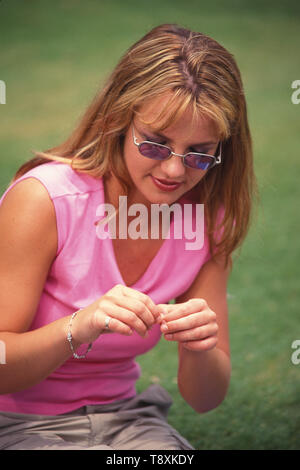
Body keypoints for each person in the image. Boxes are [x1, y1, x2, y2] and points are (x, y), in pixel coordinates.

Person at [0, 23, 257, 450]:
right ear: (118, 120)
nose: (175, 171)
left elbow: (205, 398)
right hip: (17, 422)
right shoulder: (45, 200)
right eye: (155, 144)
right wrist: (80, 325)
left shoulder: (207, 219)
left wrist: (200, 346)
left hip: (127, 421)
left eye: (199, 153)